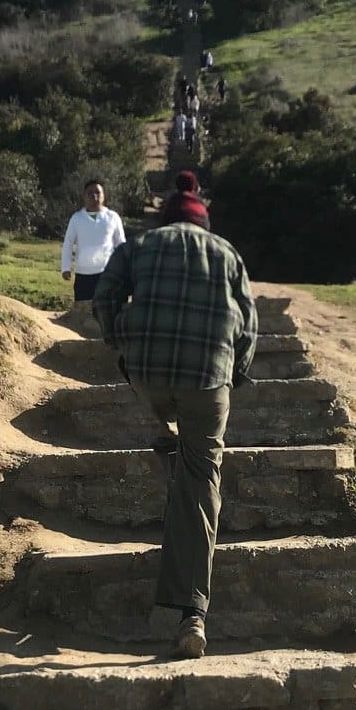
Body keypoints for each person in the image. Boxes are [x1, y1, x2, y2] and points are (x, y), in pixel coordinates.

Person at [94, 172, 257, 658]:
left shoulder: (139, 247)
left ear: (165, 219)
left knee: (163, 408)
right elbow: (248, 329)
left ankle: (167, 432)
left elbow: (103, 300)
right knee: (203, 474)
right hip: (207, 380)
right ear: (203, 221)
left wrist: (121, 342)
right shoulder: (226, 254)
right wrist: (235, 376)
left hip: (148, 377)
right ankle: (193, 616)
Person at [60, 179, 125, 303]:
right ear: (84, 197)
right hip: (83, 274)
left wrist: (122, 268)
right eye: (90, 193)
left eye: (98, 193)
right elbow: (68, 243)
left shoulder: (113, 217)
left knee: (107, 308)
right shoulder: (77, 218)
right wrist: (65, 268)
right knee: (83, 311)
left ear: (103, 195)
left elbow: (121, 244)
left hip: (107, 273)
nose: (94, 196)